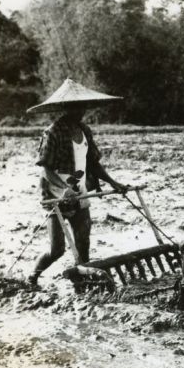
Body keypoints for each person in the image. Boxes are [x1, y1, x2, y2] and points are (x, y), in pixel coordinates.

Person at [27, 79, 128, 285]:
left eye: (82, 106)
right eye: (75, 106)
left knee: (83, 243)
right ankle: (32, 277)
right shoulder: (53, 132)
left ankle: (82, 282)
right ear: (65, 107)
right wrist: (64, 189)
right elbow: (46, 168)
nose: (80, 111)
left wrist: (113, 183)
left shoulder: (84, 130)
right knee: (57, 250)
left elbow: (93, 163)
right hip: (56, 194)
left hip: (79, 190)